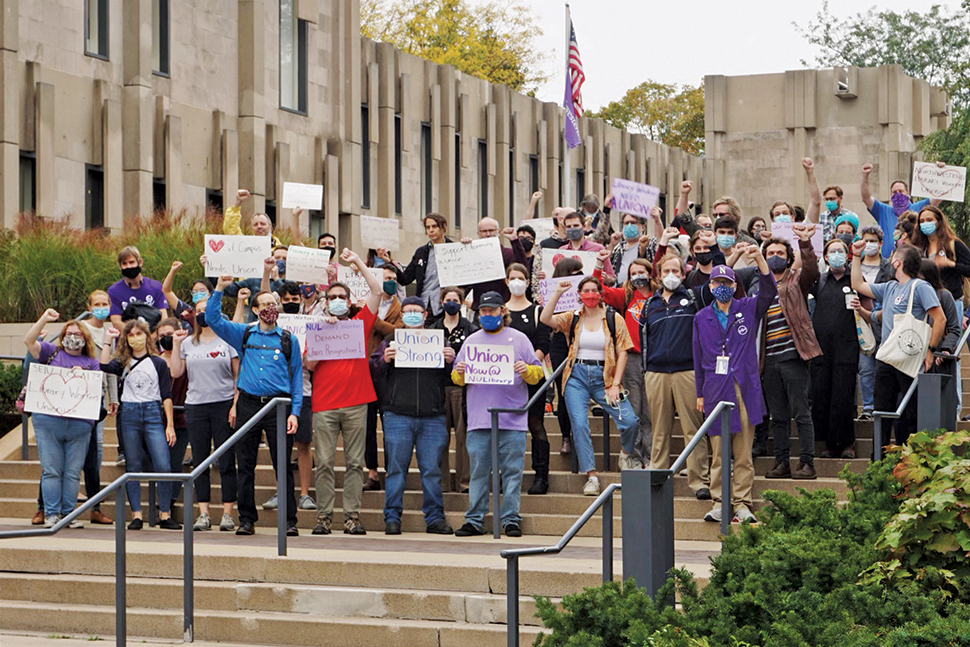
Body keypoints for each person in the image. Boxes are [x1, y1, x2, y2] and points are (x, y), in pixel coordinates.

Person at [205, 272, 303, 537]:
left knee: (281, 464)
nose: (271, 308)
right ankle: (246, 519)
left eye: (274, 304)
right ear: (256, 310)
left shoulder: (288, 340)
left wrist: (295, 412)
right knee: (245, 464)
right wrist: (218, 289)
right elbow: (212, 319)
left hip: (278, 407)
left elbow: (296, 379)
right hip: (248, 403)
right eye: (266, 305)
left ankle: (289, 520)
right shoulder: (244, 333)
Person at [693, 251, 776, 523]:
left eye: (727, 283)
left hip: (744, 386)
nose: (722, 288)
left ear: (734, 286)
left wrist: (761, 260)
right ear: (711, 287)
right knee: (718, 450)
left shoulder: (747, 308)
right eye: (717, 283)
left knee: (743, 451)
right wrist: (700, 393)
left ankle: (742, 503)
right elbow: (698, 357)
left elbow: (769, 292)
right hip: (716, 389)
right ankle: (719, 502)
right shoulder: (701, 317)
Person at [452, 291, 544, 537]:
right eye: (483, 311)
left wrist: (526, 370)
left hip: (512, 417)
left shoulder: (520, 339)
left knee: (513, 472)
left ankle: (511, 518)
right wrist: (459, 371)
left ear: (503, 311)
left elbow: (538, 374)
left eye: (492, 310)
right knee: (479, 471)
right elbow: (457, 379)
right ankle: (474, 519)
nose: (488, 315)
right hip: (480, 418)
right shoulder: (471, 341)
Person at [306, 248, 384, 536]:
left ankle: (352, 516)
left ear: (350, 302)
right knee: (324, 462)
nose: (337, 301)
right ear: (325, 303)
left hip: (356, 402)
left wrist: (357, 263)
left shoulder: (360, 324)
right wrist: (322, 336)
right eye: (332, 298)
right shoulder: (317, 329)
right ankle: (324, 516)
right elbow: (309, 365)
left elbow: (377, 290)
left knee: (354, 463)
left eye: (342, 298)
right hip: (324, 404)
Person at [540, 276, 639, 496]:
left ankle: (626, 452)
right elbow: (546, 318)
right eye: (586, 291)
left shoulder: (614, 318)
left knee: (629, 420)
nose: (591, 294)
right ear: (580, 294)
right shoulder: (573, 318)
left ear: (601, 294)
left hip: (605, 377)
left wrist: (615, 384)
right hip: (577, 376)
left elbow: (623, 351)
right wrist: (557, 293)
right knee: (579, 423)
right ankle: (591, 475)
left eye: (595, 290)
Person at [372, 297, 456, 535]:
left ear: (425, 315)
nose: (411, 315)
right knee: (396, 469)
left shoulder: (439, 340)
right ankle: (392, 517)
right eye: (407, 311)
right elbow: (375, 369)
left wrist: (450, 361)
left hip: (433, 415)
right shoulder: (391, 340)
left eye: (416, 311)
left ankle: (435, 518)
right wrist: (384, 360)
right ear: (402, 316)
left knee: (431, 470)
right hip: (398, 414)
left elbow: (452, 377)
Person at [850, 242, 945, 445]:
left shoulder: (920, 286)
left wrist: (930, 351)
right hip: (887, 356)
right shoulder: (890, 287)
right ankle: (880, 458)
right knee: (881, 410)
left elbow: (940, 319)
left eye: (892, 258)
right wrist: (856, 256)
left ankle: (909, 459)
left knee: (910, 412)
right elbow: (858, 285)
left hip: (908, 356)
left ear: (897, 262)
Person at [641, 254, 712, 500]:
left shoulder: (693, 299)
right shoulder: (650, 305)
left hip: (688, 371)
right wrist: (646, 370)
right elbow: (645, 339)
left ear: (683, 274)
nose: (671, 275)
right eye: (666, 270)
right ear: (658, 275)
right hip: (656, 373)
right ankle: (657, 476)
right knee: (659, 429)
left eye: (676, 270)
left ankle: (699, 480)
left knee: (693, 427)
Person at [25, 309, 102, 528]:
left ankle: (69, 515)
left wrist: (83, 376)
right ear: (62, 336)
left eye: (78, 334)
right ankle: (51, 514)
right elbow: (28, 341)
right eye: (69, 333)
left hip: (79, 425)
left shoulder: (91, 362)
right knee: (51, 469)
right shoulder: (51, 352)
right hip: (48, 421)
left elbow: (96, 391)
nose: (73, 337)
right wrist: (44, 319)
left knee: (72, 472)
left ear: (85, 338)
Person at [169, 296, 240, 532]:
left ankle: (228, 513)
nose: (202, 315)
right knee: (200, 459)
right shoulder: (189, 343)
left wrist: (234, 405)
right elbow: (176, 372)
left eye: (206, 311)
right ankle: (204, 513)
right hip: (196, 405)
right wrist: (177, 344)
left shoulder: (227, 341)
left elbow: (238, 377)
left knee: (227, 460)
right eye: (198, 311)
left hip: (223, 404)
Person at [101, 321, 181, 530]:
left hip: (153, 412)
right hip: (129, 412)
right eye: (131, 334)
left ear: (147, 336)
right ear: (126, 339)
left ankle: (164, 513)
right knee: (133, 465)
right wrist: (108, 340)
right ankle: (136, 513)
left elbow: (166, 395)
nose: (135, 338)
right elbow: (102, 365)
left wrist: (169, 424)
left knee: (163, 465)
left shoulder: (158, 362)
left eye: (139, 333)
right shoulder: (122, 362)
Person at [760, 226, 821, 480]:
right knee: (778, 416)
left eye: (780, 252)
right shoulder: (759, 284)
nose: (775, 255)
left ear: (787, 257)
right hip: (768, 360)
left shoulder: (796, 280)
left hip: (794, 357)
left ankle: (807, 463)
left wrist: (805, 242)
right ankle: (781, 462)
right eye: (770, 252)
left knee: (801, 413)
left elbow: (812, 270)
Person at [259, 282, 316, 512]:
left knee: (303, 444)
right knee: (279, 446)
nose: (291, 303)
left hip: (303, 390)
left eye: (295, 299)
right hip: (277, 393)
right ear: (279, 301)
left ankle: (303, 494)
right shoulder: (273, 324)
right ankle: (280, 490)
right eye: (287, 300)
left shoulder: (308, 324)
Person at [594, 252, 654, 469]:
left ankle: (651, 456)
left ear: (650, 273)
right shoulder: (626, 296)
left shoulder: (658, 295)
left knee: (651, 412)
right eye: (633, 273)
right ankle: (634, 456)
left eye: (642, 272)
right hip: (631, 359)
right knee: (634, 410)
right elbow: (598, 288)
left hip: (654, 360)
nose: (638, 276)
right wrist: (600, 263)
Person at [810, 238, 860, 459]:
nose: (837, 254)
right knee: (823, 394)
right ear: (826, 256)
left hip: (847, 346)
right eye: (832, 251)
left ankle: (847, 442)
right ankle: (830, 443)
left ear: (847, 255)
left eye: (841, 250)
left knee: (844, 394)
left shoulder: (855, 279)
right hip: (822, 347)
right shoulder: (819, 281)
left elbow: (868, 307)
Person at [505, 263, 552, 494]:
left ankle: (541, 475)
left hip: (531, 377)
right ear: (506, 282)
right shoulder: (499, 311)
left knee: (536, 425)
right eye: (512, 278)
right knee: (504, 426)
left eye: (520, 278)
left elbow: (544, 341)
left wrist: (529, 364)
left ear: (527, 281)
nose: (516, 282)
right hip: (503, 380)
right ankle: (505, 474)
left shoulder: (536, 310)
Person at [360, 264, 404, 492]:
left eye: (394, 278)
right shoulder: (361, 302)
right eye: (387, 278)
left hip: (387, 373)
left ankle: (391, 470)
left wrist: (371, 317)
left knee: (390, 424)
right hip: (363, 369)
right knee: (367, 425)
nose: (392, 282)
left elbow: (395, 331)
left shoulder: (400, 307)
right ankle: (372, 473)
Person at [432, 286, 477, 492]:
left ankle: (464, 482)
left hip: (462, 388)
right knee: (440, 438)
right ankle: (441, 483)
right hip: (437, 387)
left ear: (461, 303)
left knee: (463, 436)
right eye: (448, 299)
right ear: (442, 302)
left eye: (456, 300)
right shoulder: (431, 329)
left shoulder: (471, 329)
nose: (452, 303)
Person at [861, 163, 941, 258]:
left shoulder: (920, 207)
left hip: (916, 259)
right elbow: (866, 198)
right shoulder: (882, 211)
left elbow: (937, 197)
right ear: (890, 195)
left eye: (901, 191)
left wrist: (940, 172)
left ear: (907, 192)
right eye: (894, 192)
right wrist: (865, 176)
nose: (898, 194)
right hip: (889, 262)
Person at [855, 225, 894, 421]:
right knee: (866, 368)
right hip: (861, 323)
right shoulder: (855, 265)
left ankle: (884, 406)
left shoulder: (889, 267)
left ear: (880, 244)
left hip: (884, 323)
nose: (868, 245)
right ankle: (868, 407)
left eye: (872, 241)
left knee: (884, 369)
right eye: (865, 240)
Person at [155, 318, 190, 510]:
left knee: (175, 461)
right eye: (162, 336)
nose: (166, 338)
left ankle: (168, 502)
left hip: (181, 417)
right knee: (160, 462)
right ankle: (160, 500)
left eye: (170, 334)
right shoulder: (154, 359)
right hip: (157, 418)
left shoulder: (186, 358)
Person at [391, 213, 453, 318]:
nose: (431, 230)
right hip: (423, 306)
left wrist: (458, 296)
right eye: (428, 227)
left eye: (434, 226)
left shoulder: (454, 249)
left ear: (443, 227)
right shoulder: (421, 252)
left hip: (445, 307)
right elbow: (405, 279)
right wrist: (390, 263)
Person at [459, 218, 527, 309]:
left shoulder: (508, 253)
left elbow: (522, 266)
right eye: (484, 231)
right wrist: (464, 249)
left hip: (504, 307)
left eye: (491, 230)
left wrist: (514, 240)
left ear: (498, 232)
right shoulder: (474, 256)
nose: (488, 234)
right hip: (480, 309)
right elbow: (462, 282)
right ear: (478, 234)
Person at [910, 205, 970, 307]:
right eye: (922, 221)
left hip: (952, 301)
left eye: (929, 220)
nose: (925, 223)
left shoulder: (953, 244)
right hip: (926, 301)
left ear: (938, 222)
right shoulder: (918, 247)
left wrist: (951, 264)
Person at [107, 246, 169, 330]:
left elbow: (163, 317)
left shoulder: (156, 286)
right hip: (127, 339)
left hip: (153, 339)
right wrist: (135, 335)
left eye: (131, 262)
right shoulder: (113, 291)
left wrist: (151, 338)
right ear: (120, 266)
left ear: (140, 262)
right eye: (124, 264)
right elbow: (116, 322)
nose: (128, 266)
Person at [608, 208, 660, 284]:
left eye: (633, 223)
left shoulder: (649, 243)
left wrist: (657, 220)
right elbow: (607, 264)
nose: (629, 226)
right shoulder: (618, 248)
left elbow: (661, 240)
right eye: (626, 223)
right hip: (620, 290)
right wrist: (612, 245)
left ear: (642, 226)